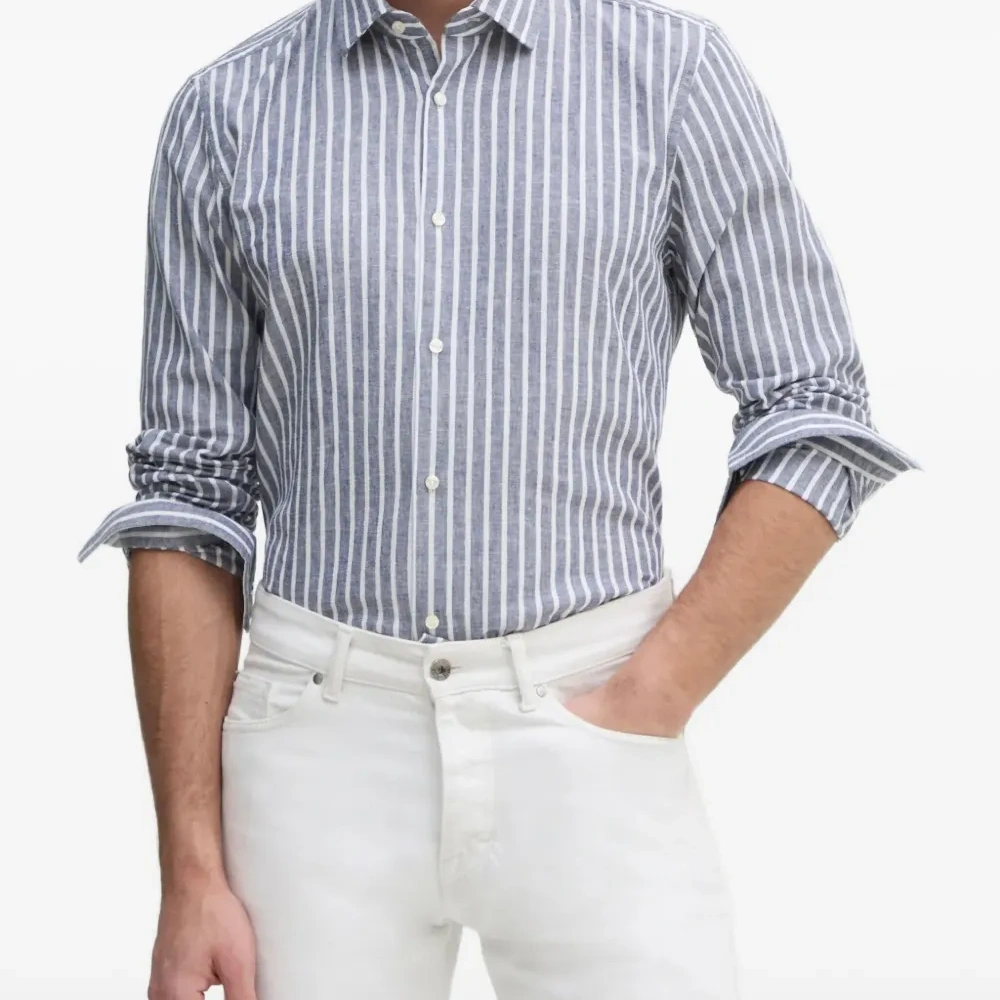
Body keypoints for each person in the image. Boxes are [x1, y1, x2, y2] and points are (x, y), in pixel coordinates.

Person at [78, 0, 917, 997]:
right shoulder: (228, 109)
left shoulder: (672, 72)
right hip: (318, 746)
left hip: (595, 715)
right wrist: (189, 870)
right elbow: (188, 494)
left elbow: (814, 410)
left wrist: (650, 693)